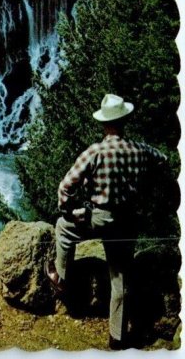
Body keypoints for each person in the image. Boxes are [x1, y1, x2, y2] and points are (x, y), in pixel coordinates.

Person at [45, 93, 167, 350]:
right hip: (127, 221)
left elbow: (65, 186)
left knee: (63, 228)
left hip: (98, 218)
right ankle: (117, 337)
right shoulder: (140, 150)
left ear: (104, 123)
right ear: (125, 120)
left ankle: (61, 279)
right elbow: (162, 160)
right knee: (119, 277)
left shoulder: (95, 151)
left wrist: (68, 210)